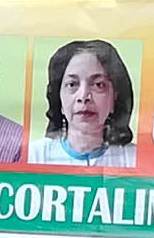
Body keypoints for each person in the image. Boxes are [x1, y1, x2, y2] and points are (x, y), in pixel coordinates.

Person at [29, 38, 137, 168]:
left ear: (114, 98)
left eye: (98, 85)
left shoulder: (133, 158)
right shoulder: (35, 156)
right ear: (58, 97)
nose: (84, 96)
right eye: (72, 84)